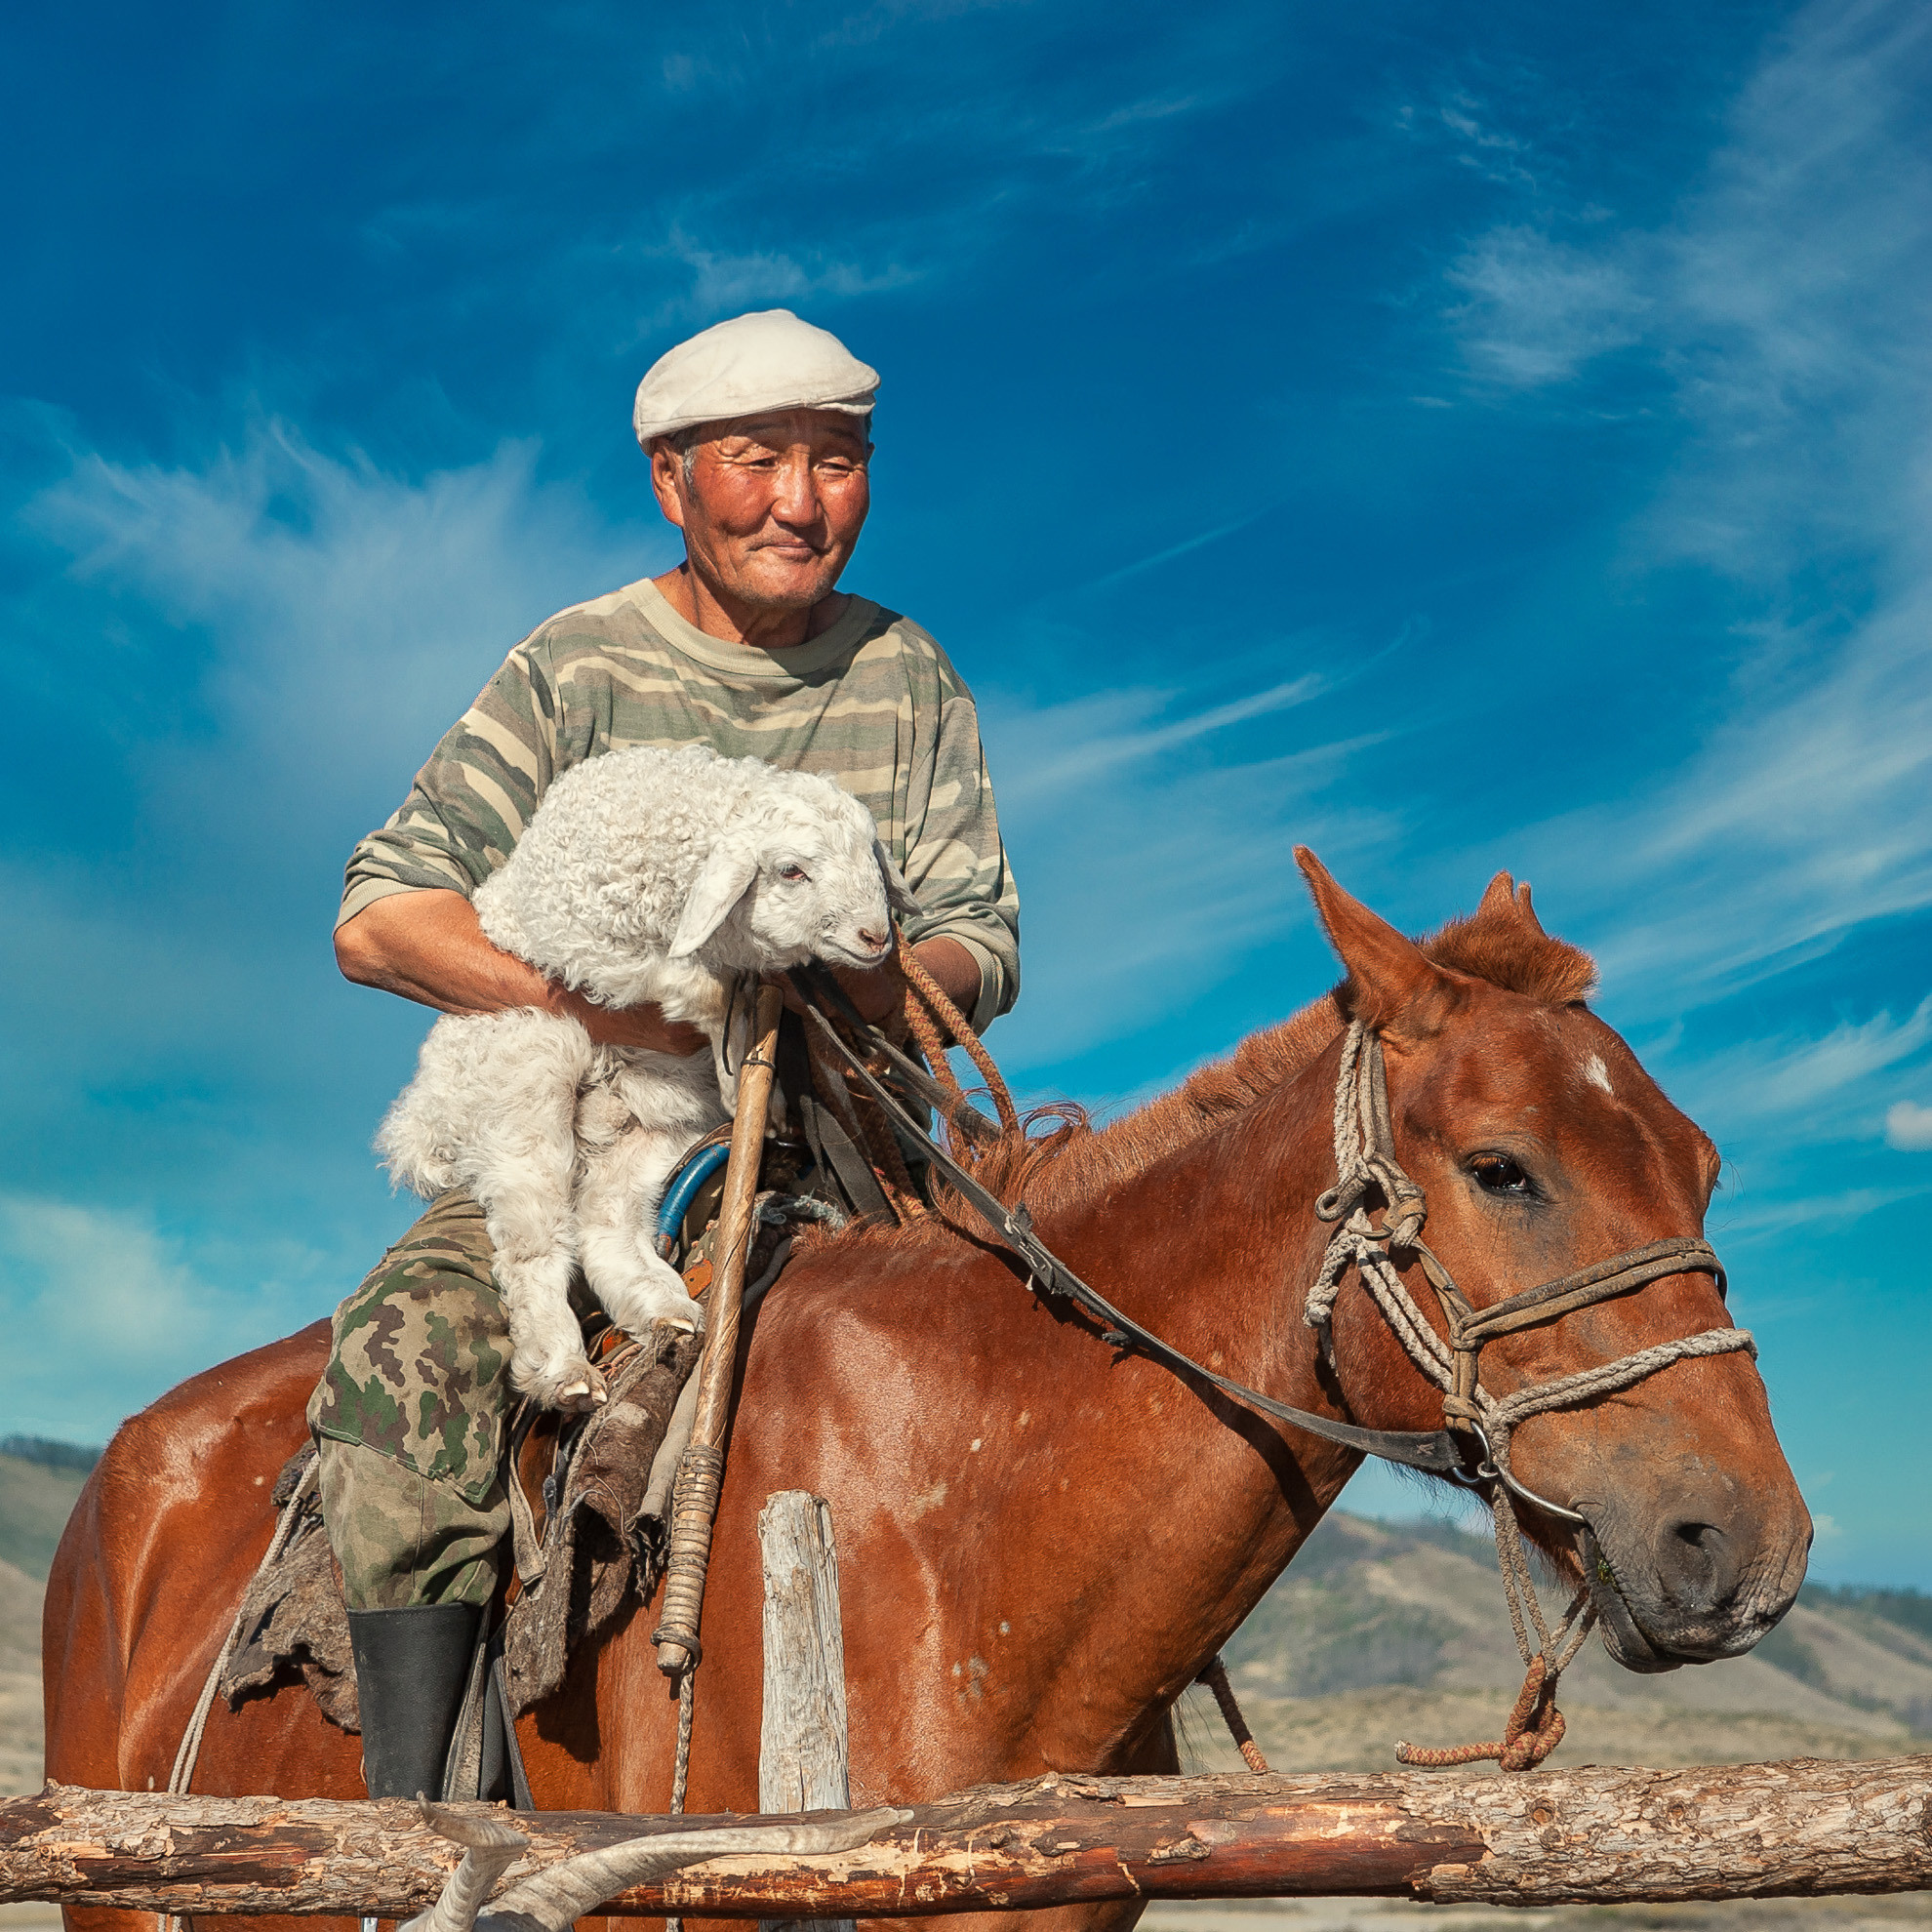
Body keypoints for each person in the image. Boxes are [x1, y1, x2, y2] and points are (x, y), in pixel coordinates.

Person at [309, 309, 1021, 1798]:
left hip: (851, 1147)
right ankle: (431, 1832)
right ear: (671, 482)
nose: (797, 502)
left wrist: (865, 980)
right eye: (757, 459)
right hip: (586, 1132)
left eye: (837, 462)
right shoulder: (572, 668)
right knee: (407, 1357)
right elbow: (380, 917)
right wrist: (618, 1014)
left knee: (1060, 1366)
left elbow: (980, 939)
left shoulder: (913, 679)